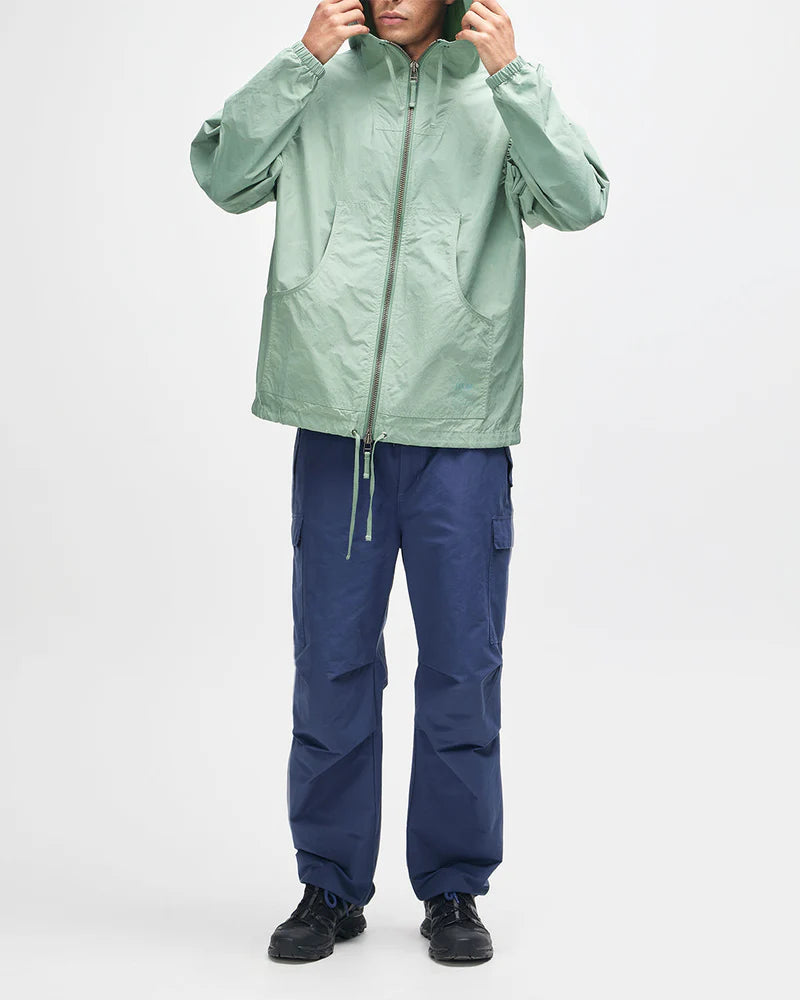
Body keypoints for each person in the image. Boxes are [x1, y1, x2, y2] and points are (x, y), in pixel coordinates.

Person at [189, 0, 609, 964]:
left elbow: (581, 200)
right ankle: (327, 886)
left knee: (462, 670)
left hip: (460, 428)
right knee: (332, 666)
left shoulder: (498, 97)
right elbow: (222, 173)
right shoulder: (319, 85)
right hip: (339, 429)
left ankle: (454, 888)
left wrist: (517, 79)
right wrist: (299, 62)